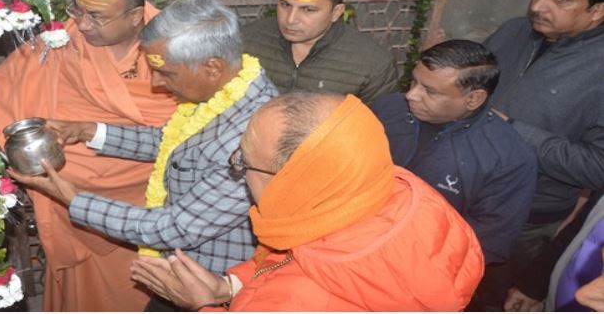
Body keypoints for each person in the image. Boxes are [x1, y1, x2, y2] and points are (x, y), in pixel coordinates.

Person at [8, 0, 279, 311]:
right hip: (178, 278)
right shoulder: (228, 88)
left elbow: (174, 228)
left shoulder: (251, 138)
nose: (156, 83)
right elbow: (172, 141)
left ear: (212, 67)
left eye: (166, 73)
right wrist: (87, 130)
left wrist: (72, 198)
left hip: (210, 290)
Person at [130, 92, 485, 311]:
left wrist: (202, 305)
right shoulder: (406, 193)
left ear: (292, 183)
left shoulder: (292, 299)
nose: (238, 169)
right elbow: (294, 260)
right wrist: (229, 287)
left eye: (244, 163)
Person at [0, 0, 179, 311]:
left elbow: (179, 135)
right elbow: (3, 89)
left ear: (136, 17)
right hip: (69, 190)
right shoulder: (63, 41)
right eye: (78, 9)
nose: (83, 24)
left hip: (142, 195)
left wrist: (87, 146)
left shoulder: (173, 47)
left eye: (96, 16)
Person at [483, 0, 604, 283]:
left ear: (597, 11)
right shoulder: (513, 31)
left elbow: (597, 167)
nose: (538, 6)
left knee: (493, 292)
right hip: (469, 189)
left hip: (525, 216)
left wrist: (511, 129)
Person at [370, 39, 537, 264]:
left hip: (417, 266)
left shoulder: (509, 159)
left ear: (473, 99)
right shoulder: (387, 108)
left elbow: (485, 244)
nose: (411, 95)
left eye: (430, 91)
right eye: (414, 81)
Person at [242, 0, 398, 101]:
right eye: (285, 5)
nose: (290, 19)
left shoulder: (373, 65)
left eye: (308, 9)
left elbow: (380, 120)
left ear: (336, 12)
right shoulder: (246, 41)